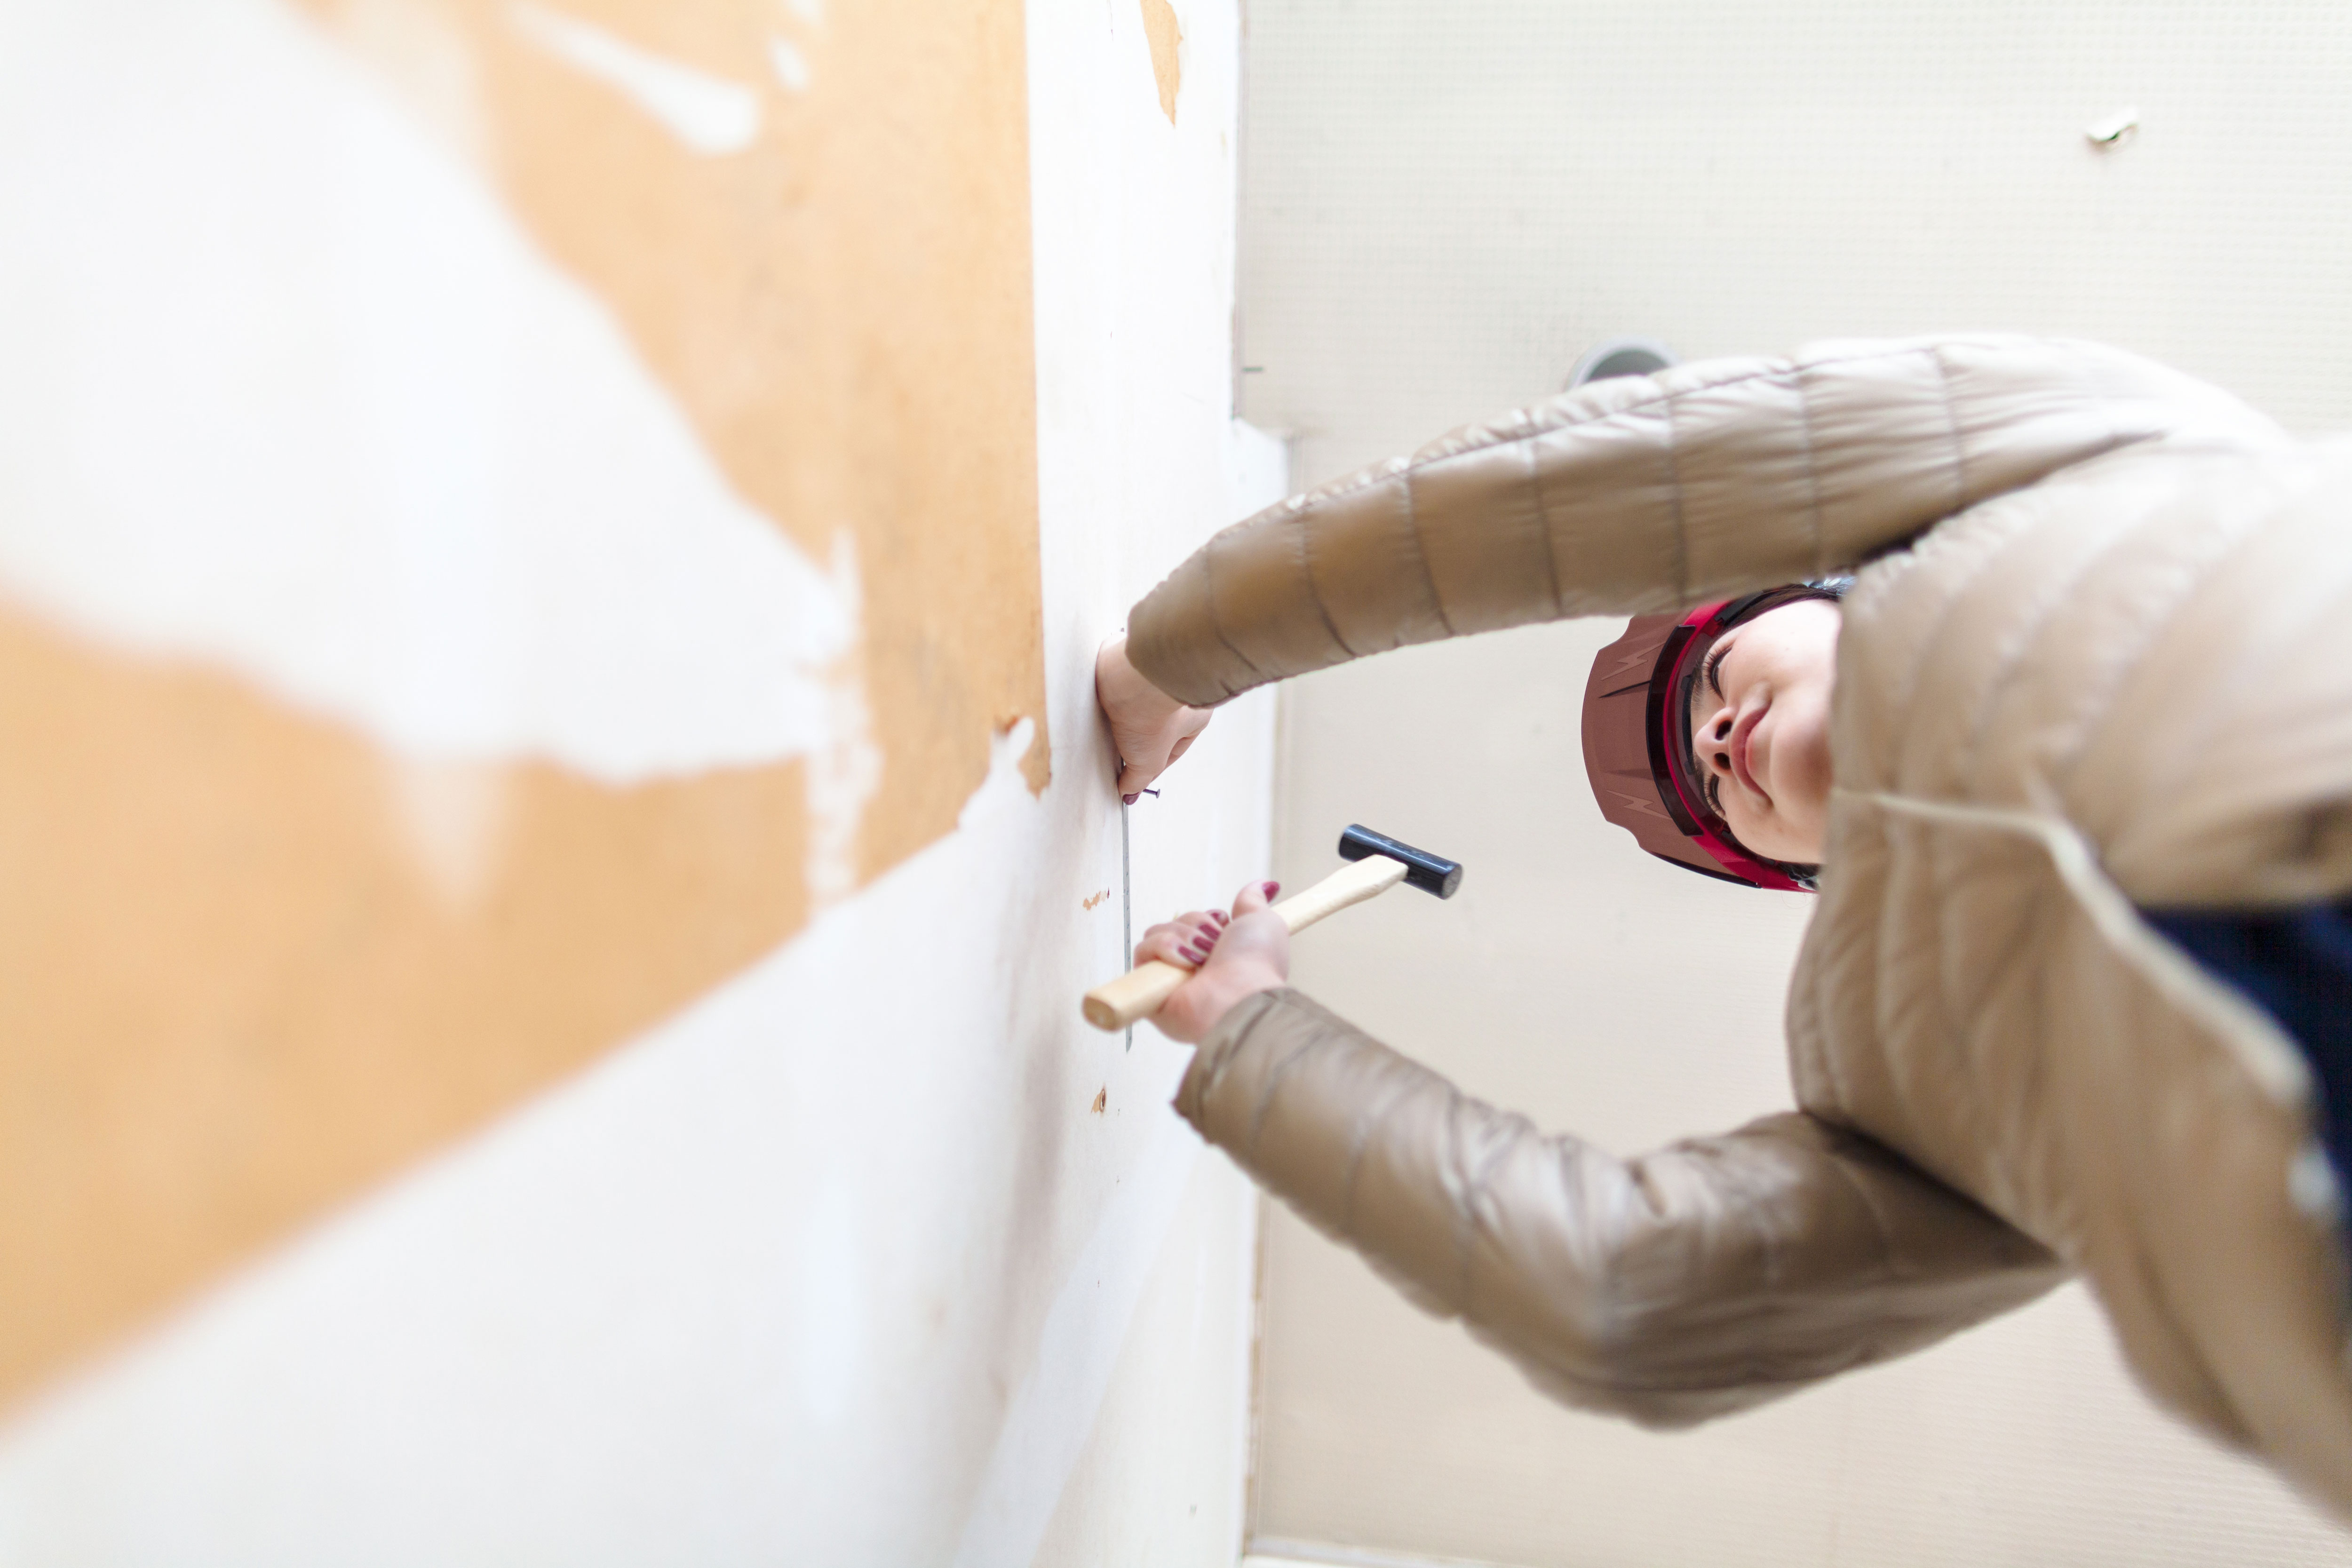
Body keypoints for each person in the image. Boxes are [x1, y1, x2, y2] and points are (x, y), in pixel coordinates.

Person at [1094, 334, 2352, 1515]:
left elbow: (1571, 488)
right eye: (1706, 798)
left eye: (1713, 674)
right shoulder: (1885, 1087)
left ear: (1806, 591)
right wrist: (1253, 1035)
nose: (1713, 739)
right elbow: (1627, 1304)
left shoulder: (2139, 446)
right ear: (1791, 878)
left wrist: (1168, 663)